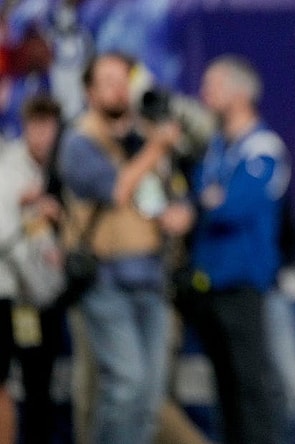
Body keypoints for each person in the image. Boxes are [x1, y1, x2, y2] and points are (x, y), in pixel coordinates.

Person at [57, 52, 193, 444]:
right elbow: (118, 190)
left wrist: (180, 212)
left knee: (149, 397)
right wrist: (157, 147)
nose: (119, 90)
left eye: (124, 81)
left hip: (152, 279)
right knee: (125, 385)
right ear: (89, 92)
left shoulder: (141, 136)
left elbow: (168, 193)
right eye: (108, 82)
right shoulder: (79, 141)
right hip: (104, 282)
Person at [179, 54, 291, 444]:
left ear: (239, 93)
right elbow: (202, 195)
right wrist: (207, 201)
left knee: (251, 386)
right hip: (208, 282)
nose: (203, 94)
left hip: (243, 284)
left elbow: (234, 205)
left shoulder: (263, 147)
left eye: (212, 86)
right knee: (224, 389)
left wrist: (207, 203)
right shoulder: (215, 146)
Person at [0, 94, 66, 444]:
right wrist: (29, 212)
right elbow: (5, 236)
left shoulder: (59, 168)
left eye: (48, 126)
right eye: (34, 126)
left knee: (39, 384)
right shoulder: (10, 169)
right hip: (12, 295)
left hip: (42, 298)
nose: (41, 134)